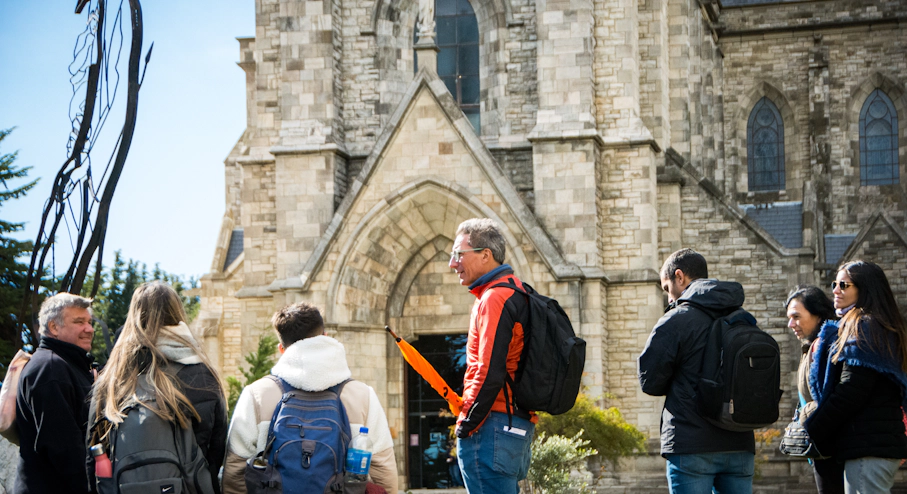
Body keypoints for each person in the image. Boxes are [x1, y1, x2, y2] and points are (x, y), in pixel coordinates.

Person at [221, 302, 398, 494]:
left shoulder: (256, 394)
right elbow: (382, 470)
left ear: (282, 349)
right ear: (325, 338)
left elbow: (235, 471)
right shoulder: (363, 395)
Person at [88, 282, 228, 492]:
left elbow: (93, 455)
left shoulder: (112, 379)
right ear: (177, 313)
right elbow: (215, 449)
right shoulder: (200, 373)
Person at [637, 248, 755, 494]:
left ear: (679, 277)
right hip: (739, 441)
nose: (669, 298)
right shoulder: (743, 317)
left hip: (691, 444)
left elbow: (649, 382)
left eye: (667, 288)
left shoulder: (676, 319)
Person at [447, 218, 535, 494]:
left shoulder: (494, 298)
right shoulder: (518, 290)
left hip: (490, 428)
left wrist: (466, 424)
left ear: (486, 255)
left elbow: (488, 370)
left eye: (459, 254)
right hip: (515, 423)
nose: (453, 263)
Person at [805, 260, 907, 493]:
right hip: (873, 446)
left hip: (868, 448)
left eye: (844, 285)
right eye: (834, 284)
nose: (835, 290)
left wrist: (814, 428)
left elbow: (852, 390)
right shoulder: (879, 325)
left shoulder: (864, 327)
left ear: (865, 288)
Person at [14, 293, 96, 493]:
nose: (89, 329)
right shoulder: (50, 368)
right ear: (53, 327)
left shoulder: (69, 365)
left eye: (89, 322)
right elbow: (65, 451)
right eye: (79, 322)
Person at [785, 285, 842, 494]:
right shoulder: (811, 345)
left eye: (796, 317)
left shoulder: (827, 345)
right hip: (821, 448)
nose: (791, 324)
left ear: (818, 314)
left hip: (832, 450)